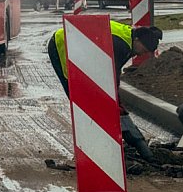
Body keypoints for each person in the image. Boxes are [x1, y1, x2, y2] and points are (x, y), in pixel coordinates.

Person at [47, 21, 163, 160]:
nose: (143, 54)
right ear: (137, 39)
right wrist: (115, 104)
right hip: (64, 44)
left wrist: (116, 104)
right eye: (144, 49)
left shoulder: (128, 40)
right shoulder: (120, 44)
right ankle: (89, 149)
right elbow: (110, 77)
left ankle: (101, 141)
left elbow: (113, 74)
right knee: (78, 96)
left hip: (81, 47)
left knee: (94, 98)